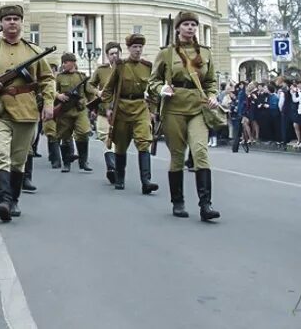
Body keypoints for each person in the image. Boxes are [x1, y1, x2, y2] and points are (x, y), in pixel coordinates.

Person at [0, 4, 55, 222]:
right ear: (1, 23)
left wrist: (48, 103)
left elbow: (48, 79)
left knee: (18, 160)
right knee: (1, 154)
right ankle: (3, 201)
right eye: (7, 19)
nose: (11, 22)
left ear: (21, 22)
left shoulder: (34, 51)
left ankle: (13, 201)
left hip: (26, 110)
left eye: (15, 19)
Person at [148, 11, 221, 221]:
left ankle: (205, 205)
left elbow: (210, 83)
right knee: (178, 156)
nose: (190, 28)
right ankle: (178, 202)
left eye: (193, 25)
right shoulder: (166, 54)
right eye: (186, 24)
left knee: (200, 152)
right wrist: (161, 89)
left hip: (198, 107)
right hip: (174, 108)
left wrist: (213, 96)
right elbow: (152, 82)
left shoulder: (205, 53)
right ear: (178, 28)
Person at [101, 34, 158, 194]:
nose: (138, 50)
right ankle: (120, 178)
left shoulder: (147, 66)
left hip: (141, 108)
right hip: (122, 109)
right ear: (129, 49)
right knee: (120, 145)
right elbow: (107, 90)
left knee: (144, 142)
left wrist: (153, 110)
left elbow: (153, 91)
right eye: (135, 47)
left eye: (140, 47)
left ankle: (146, 181)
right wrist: (108, 108)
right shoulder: (120, 65)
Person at [54, 53, 93, 172]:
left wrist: (91, 106)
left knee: (83, 132)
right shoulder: (59, 77)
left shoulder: (82, 77)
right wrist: (58, 95)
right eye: (63, 62)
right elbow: (51, 90)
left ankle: (83, 161)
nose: (64, 64)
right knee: (64, 136)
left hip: (79, 109)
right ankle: (66, 163)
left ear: (73, 62)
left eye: (66, 62)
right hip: (65, 110)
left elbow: (89, 92)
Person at [90, 42, 121, 184]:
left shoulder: (127, 68)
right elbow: (89, 85)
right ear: (107, 56)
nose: (114, 56)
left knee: (119, 141)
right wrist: (98, 92)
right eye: (111, 53)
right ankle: (112, 168)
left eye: (117, 53)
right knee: (105, 137)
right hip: (104, 110)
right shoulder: (101, 70)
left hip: (122, 110)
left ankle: (117, 169)